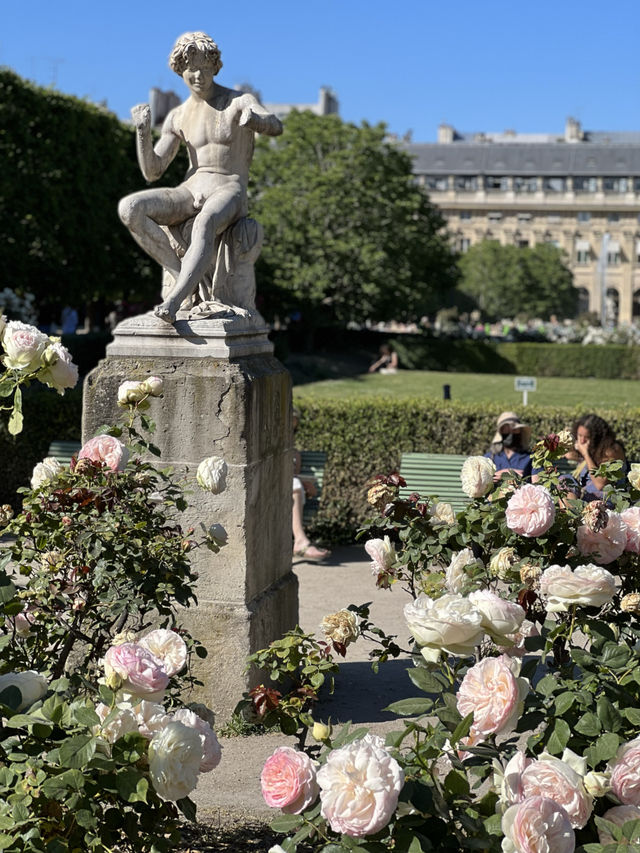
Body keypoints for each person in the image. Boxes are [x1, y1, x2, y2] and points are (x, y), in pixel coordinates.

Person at [118, 32, 283, 323]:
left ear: (215, 67)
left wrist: (256, 121)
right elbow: (152, 170)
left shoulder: (238, 101)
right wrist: (142, 132)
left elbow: (275, 125)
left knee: (206, 221)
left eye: (205, 69)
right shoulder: (177, 116)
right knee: (130, 209)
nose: (198, 76)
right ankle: (181, 275)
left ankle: (175, 300)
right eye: (191, 69)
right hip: (190, 188)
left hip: (229, 187)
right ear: (180, 69)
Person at [292, 410, 329, 562]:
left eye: (293, 429)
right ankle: (300, 541)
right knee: (294, 483)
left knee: (294, 483)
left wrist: (307, 487)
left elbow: (294, 476)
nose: (290, 432)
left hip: (289, 496)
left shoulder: (295, 454)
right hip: (272, 494)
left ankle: (300, 541)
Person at [565, 413, 627, 500]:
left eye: (587, 437)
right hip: (586, 496)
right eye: (580, 436)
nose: (582, 441)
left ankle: (574, 512)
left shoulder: (611, 451)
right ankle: (571, 512)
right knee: (565, 480)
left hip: (606, 499)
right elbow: (570, 455)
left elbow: (600, 484)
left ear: (598, 438)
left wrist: (586, 454)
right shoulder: (591, 449)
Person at [485, 411, 533, 480]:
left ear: (520, 432)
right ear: (500, 433)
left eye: (514, 430)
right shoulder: (490, 458)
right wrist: (502, 475)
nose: (511, 434)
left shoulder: (529, 458)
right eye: (506, 430)